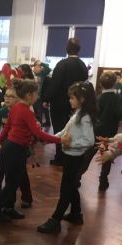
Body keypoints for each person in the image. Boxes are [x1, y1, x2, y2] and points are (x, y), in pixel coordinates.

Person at [0, 78, 69, 222]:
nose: (38, 96)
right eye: (36, 93)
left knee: (11, 180)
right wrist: (60, 140)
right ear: (29, 95)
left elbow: (7, 127)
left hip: (10, 147)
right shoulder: (26, 111)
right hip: (15, 149)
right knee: (13, 182)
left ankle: (8, 208)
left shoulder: (16, 107)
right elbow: (38, 133)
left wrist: (0, 141)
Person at [37, 82, 96, 234]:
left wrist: (71, 144)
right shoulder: (78, 114)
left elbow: (89, 140)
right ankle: (76, 214)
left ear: (82, 99)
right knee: (71, 185)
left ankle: (55, 220)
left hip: (75, 158)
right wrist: (51, 139)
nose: (69, 100)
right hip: (70, 156)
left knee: (66, 189)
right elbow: (65, 131)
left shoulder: (85, 117)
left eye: (72, 98)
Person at [79, 71, 122, 190]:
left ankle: (77, 177)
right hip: (110, 132)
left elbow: (92, 114)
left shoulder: (98, 98)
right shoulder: (117, 98)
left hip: (96, 131)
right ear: (114, 82)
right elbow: (121, 113)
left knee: (88, 155)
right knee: (107, 156)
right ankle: (103, 180)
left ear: (100, 83)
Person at [0, 87, 33, 211]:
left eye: (11, 96)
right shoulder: (1, 112)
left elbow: (32, 130)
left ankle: (25, 199)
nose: (7, 99)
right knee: (0, 173)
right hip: (6, 148)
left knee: (19, 174)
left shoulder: (24, 111)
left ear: (19, 99)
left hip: (19, 148)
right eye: (6, 96)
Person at [47, 38, 88, 166]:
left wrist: (47, 98)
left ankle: (60, 157)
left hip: (59, 104)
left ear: (66, 49)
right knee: (74, 129)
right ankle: (70, 155)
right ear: (79, 49)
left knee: (59, 129)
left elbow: (55, 85)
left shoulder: (62, 64)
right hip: (77, 104)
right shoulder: (83, 65)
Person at [32, 60, 51, 128]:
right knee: (36, 110)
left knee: (40, 110)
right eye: (36, 66)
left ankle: (39, 124)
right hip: (34, 95)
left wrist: (41, 63)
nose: (37, 68)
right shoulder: (32, 74)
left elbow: (48, 69)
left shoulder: (42, 74)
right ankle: (37, 123)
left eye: (39, 67)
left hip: (41, 96)